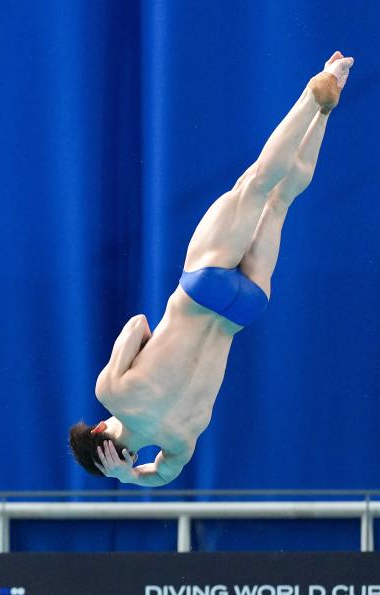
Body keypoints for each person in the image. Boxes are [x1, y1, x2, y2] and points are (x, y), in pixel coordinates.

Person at [69, 52, 353, 486]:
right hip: (200, 290)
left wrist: (129, 477)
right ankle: (313, 95)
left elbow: (162, 476)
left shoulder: (179, 439)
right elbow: (136, 324)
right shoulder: (111, 392)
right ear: (100, 429)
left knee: (281, 204)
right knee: (255, 185)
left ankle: (324, 111)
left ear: (123, 456)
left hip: (243, 309)